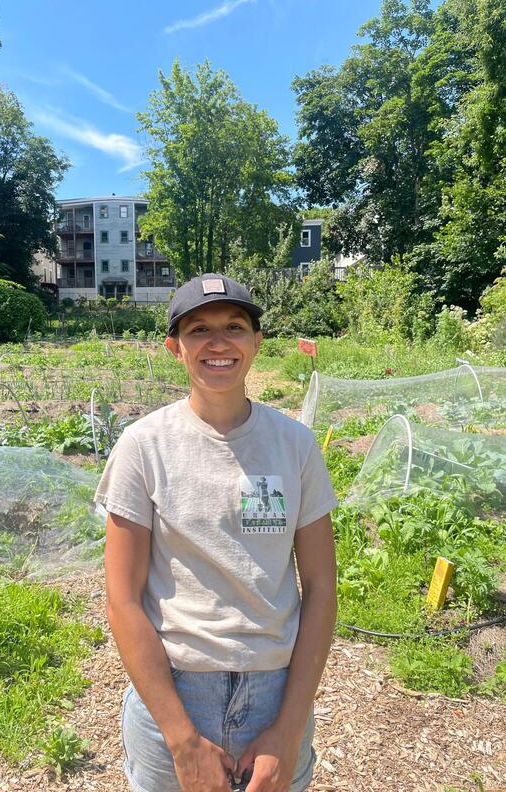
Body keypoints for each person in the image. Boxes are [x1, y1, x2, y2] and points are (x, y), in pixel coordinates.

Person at [97, 273, 338, 792]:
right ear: (174, 348)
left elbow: (320, 589)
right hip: (176, 691)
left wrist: (288, 730)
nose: (218, 342)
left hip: (277, 689)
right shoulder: (144, 447)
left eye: (234, 326)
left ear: (255, 342)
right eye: (198, 329)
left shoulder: (295, 446)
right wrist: (180, 738)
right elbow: (123, 598)